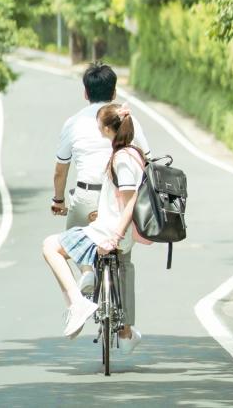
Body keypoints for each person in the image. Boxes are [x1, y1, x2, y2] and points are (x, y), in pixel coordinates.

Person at [43, 103, 145, 351]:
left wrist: (115, 235)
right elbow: (119, 200)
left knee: (50, 246)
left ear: (108, 128)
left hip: (108, 234)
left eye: (99, 124)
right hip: (108, 228)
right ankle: (126, 331)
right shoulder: (133, 154)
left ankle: (77, 303)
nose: (97, 128)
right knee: (122, 268)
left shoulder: (121, 159)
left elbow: (130, 202)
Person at [51, 63, 150, 295]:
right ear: (114, 92)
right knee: (124, 260)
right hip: (121, 200)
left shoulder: (73, 123)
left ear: (86, 93)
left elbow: (60, 170)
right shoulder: (129, 121)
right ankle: (125, 328)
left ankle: (87, 271)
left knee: (72, 242)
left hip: (86, 196)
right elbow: (148, 159)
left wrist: (58, 200)